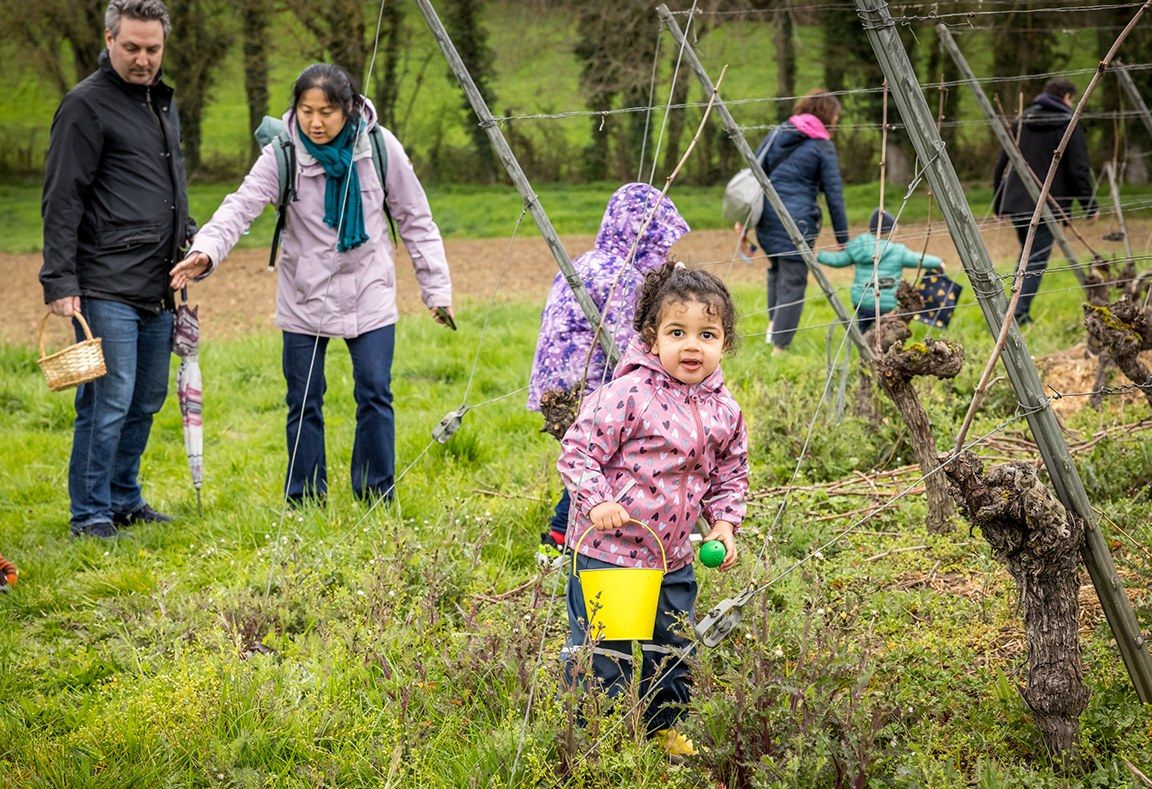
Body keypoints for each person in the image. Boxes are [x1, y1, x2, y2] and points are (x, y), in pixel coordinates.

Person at [171, 64, 453, 506]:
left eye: (326, 112)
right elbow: (239, 207)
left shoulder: (379, 148)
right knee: (303, 400)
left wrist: (436, 291)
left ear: (349, 109)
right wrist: (206, 251)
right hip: (304, 294)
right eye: (306, 111)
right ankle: (305, 499)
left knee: (375, 392)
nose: (315, 123)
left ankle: (375, 494)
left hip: (370, 289)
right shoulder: (282, 154)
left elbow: (416, 219)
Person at [557, 261, 748, 759]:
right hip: (610, 551)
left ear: (723, 343)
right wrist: (597, 501)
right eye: (677, 331)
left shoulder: (725, 409)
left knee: (674, 647)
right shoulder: (626, 395)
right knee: (608, 651)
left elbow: (730, 473)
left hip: (675, 556)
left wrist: (724, 525)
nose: (692, 345)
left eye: (707, 334)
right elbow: (577, 452)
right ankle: (596, 736)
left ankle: (664, 730)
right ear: (651, 337)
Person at [40, 0, 194, 538]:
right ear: (109, 42)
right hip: (104, 282)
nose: (143, 59)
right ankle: (90, 513)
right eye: (131, 47)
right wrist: (59, 282)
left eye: (153, 48)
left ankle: (125, 498)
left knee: (147, 397)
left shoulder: (162, 102)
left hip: (157, 281)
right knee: (108, 399)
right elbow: (62, 199)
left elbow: (168, 188)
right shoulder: (85, 105)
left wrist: (189, 238)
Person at [528, 183, 689, 563]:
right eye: (661, 243)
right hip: (587, 388)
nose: (664, 253)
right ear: (642, 236)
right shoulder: (621, 279)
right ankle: (566, 539)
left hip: (557, 385)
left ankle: (562, 538)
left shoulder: (589, 262)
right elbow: (632, 345)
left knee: (589, 457)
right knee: (605, 459)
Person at [747, 90, 849, 353]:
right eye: (836, 115)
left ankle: (773, 332)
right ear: (828, 114)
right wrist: (843, 237)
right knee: (793, 280)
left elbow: (755, 169)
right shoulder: (822, 145)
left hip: (767, 216)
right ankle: (780, 348)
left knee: (777, 272)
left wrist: (746, 217)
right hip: (798, 221)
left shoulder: (778, 132)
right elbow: (834, 195)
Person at [993, 77, 1098, 325]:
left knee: (1028, 255)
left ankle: (1014, 309)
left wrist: (999, 202)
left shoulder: (1022, 121)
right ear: (1067, 97)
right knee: (1036, 258)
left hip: (1017, 202)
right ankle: (1017, 314)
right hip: (1049, 203)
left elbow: (1001, 165)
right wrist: (1089, 205)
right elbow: (1079, 169)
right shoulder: (1067, 124)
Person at [817, 208, 944, 332]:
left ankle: (865, 349)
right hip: (886, 304)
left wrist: (818, 255)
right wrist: (938, 262)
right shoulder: (897, 251)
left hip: (862, 301)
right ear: (892, 232)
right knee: (884, 334)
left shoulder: (858, 247)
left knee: (865, 333)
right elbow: (920, 259)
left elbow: (838, 260)